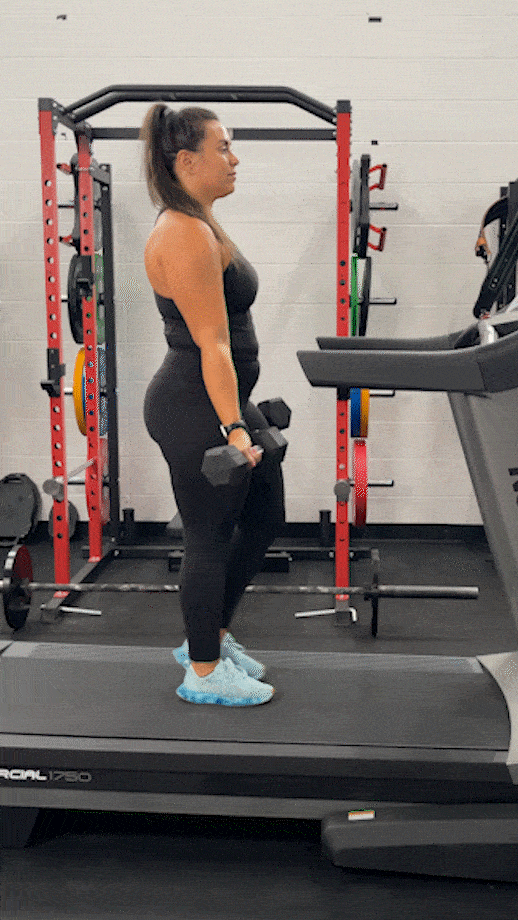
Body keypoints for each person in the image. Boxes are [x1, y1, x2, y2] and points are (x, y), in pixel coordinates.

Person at [141, 104, 285, 707]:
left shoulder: (202, 222)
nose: (235, 158)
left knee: (265, 516)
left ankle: (213, 637)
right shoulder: (183, 232)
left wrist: (241, 413)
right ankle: (200, 669)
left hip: (222, 398)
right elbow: (212, 342)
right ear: (187, 161)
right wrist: (233, 427)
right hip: (194, 404)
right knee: (209, 533)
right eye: (223, 147)